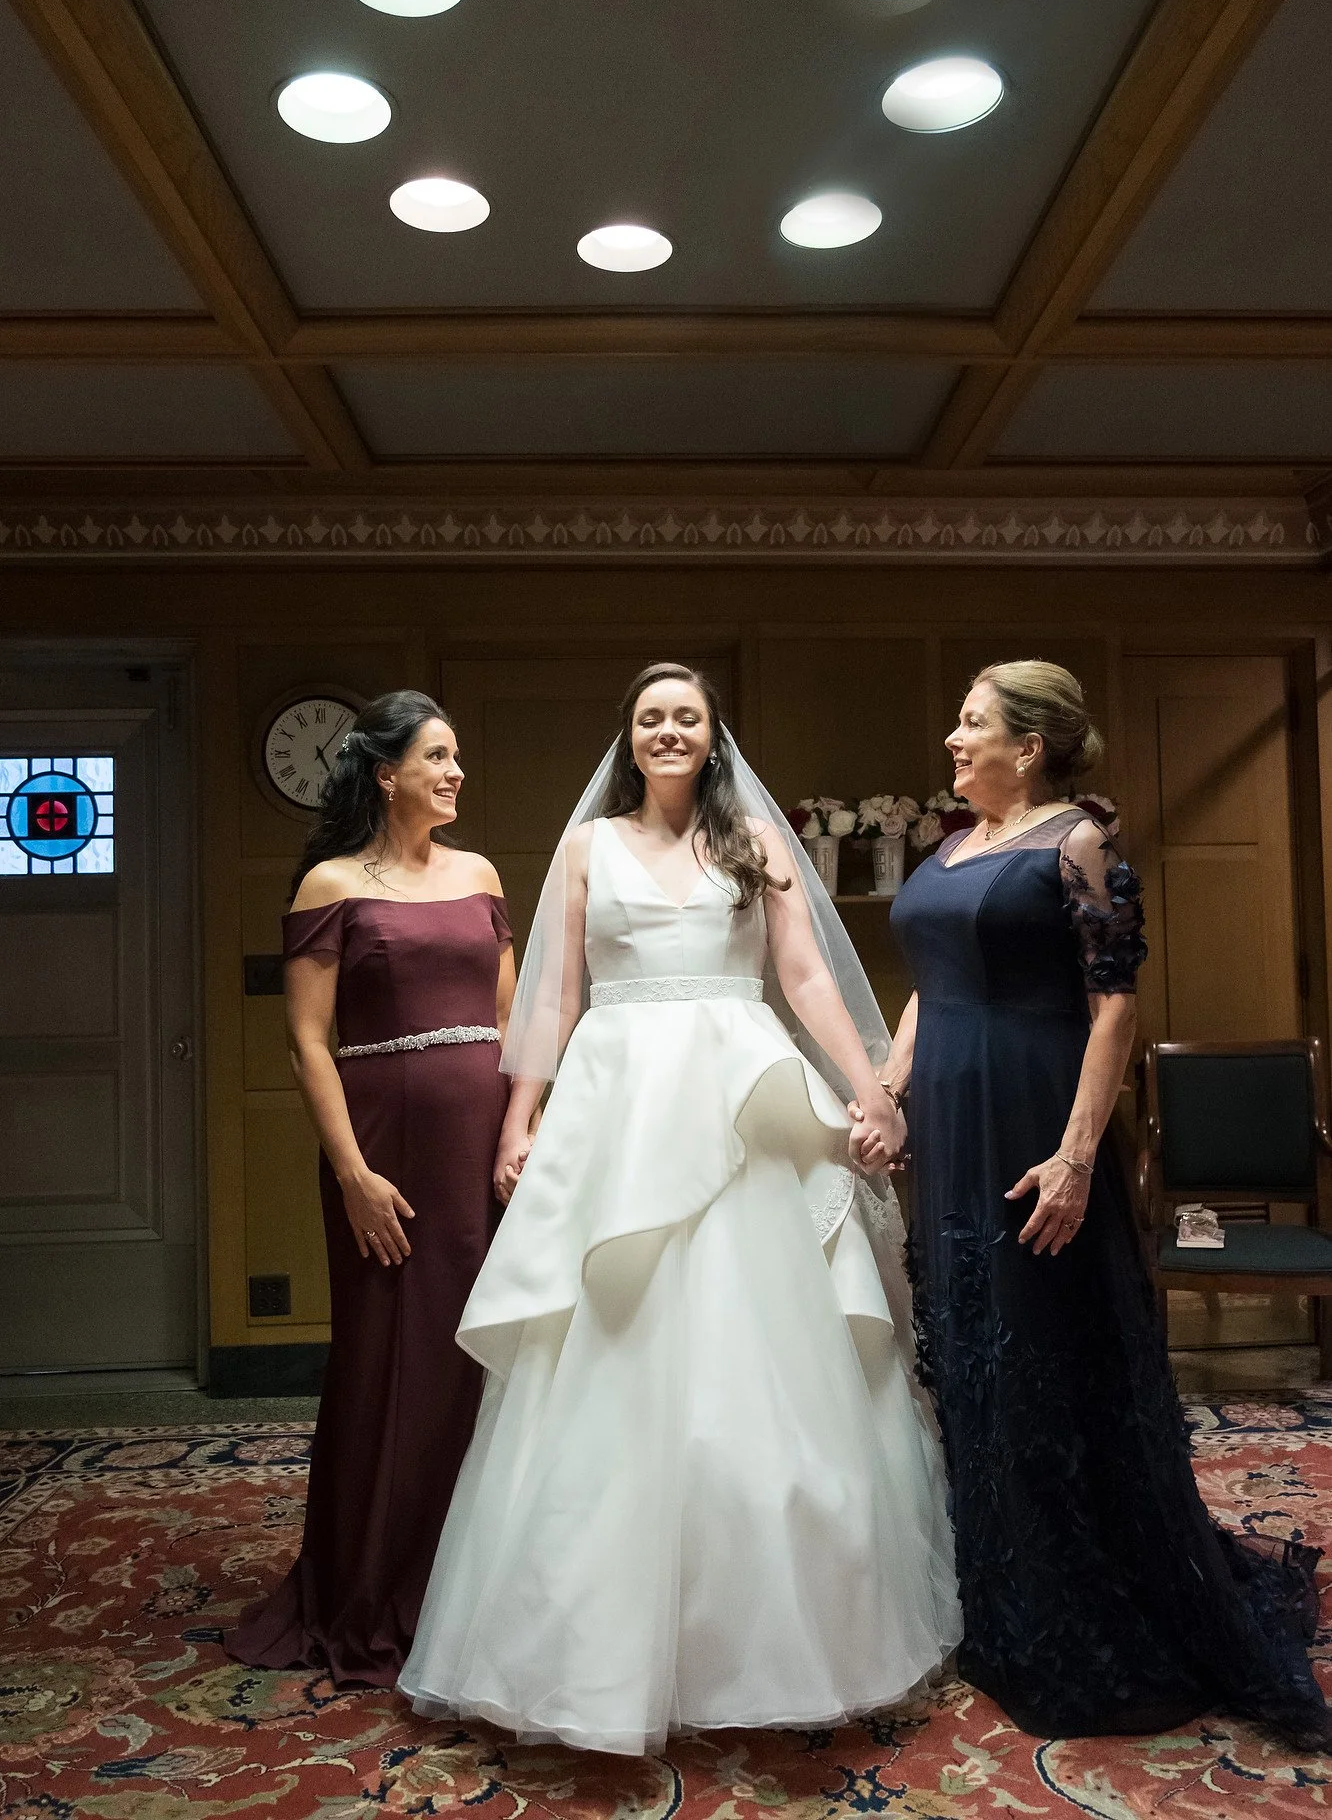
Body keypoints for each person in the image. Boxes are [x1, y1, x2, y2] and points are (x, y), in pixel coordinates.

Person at [398, 662, 960, 1754]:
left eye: (686, 717)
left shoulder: (752, 842)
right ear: (630, 735)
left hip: (741, 1094)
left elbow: (802, 979)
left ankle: (776, 1638)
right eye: (651, 716)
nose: (667, 730)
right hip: (617, 1105)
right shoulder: (583, 847)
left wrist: (870, 1088)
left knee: (760, 1356)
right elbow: (554, 993)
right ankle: (587, 1647)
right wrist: (523, 1115)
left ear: (712, 736)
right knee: (610, 1343)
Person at [881, 658, 1331, 1749]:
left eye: (972, 722)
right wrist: (886, 1090)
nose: (953, 736)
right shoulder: (951, 846)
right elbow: (927, 984)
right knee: (967, 1353)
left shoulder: (1075, 842)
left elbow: (1115, 1006)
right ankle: (992, 1593)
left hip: (1035, 1116)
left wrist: (1078, 1156)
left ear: (1028, 745)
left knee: (1042, 1356)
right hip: (946, 1121)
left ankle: (1067, 1608)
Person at [225, 690, 515, 1688]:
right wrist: (352, 1172)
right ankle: (368, 1583)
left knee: (484, 1357)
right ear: (386, 772)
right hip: (384, 1148)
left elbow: (519, 1023)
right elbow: (308, 1040)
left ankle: (469, 1584)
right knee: (389, 1360)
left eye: (459, 753)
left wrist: (530, 1134)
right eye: (438, 754)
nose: (456, 770)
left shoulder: (480, 874)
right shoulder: (328, 884)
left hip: (489, 1150)